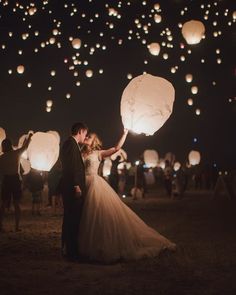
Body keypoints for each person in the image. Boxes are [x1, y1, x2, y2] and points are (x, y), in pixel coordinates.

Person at [79, 129, 176, 263]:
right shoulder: (81, 152)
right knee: (84, 215)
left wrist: (124, 134)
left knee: (96, 214)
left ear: (94, 141)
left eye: (89, 137)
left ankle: (99, 245)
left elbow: (116, 148)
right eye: (86, 136)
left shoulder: (98, 153)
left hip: (94, 184)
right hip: (82, 184)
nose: (86, 137)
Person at [60, 122, 88, 261]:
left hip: (70, 187)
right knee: (73, 219)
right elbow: (71, 167)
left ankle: (67, 248)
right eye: (85, 134)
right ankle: (71, 252)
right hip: (72, 188)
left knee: (70, 218)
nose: (85, 137)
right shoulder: (71, 144)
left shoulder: (70, 144)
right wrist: (76, 185)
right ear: (80, 131)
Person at [0, 133, 32, 232]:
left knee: (3, 204)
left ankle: (1, 225)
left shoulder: (1, 158)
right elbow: (25, 147)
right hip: (15, 180)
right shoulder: (16, 154)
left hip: (6, 180)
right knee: (16, 204)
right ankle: (17, 226)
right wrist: (29, 137)